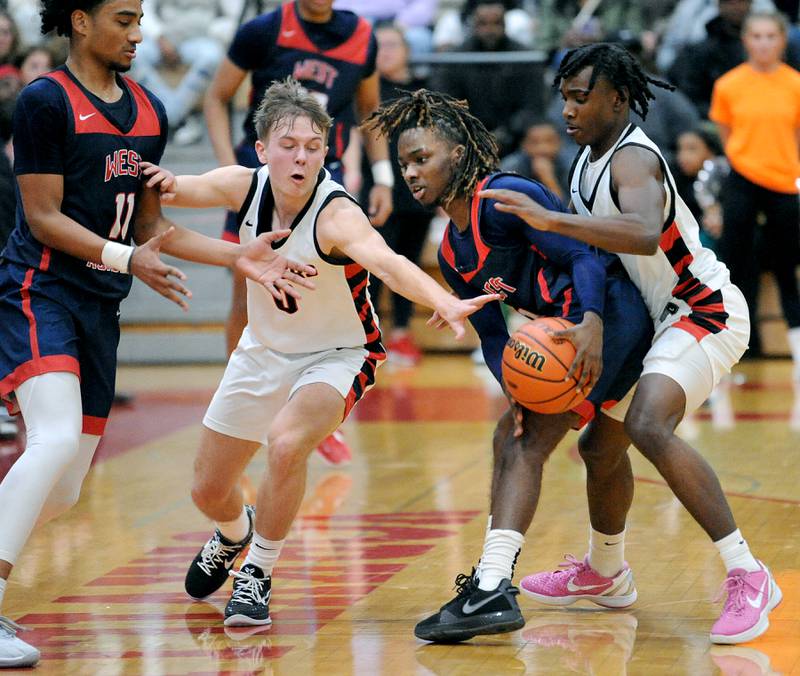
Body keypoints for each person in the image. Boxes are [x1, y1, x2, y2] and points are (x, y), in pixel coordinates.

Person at [0, 2, 315, 667]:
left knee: (62, 490)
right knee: (51, 439)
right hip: (40, 291)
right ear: (80, 21)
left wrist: (240, 254)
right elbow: (42, 216)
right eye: (122, 18)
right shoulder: (44, 101)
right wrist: (125, 260)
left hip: (99, 307)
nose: (138, 33)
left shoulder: (149, 112)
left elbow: (151, 230)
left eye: (140, 18)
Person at [140, 78, 500, 628]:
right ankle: (236, 532)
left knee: (287, 444)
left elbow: (388, 263)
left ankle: (257, 572)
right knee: (208, 490)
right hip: (262, 350)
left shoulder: (336, 213)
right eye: (288, 146)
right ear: (262, 151)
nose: (301, 156)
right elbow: (176, 191)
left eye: (313, 146)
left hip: (339, 353)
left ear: (326, 151)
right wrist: (157, 178)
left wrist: (444, 302)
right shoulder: (244, 185)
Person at [484, 42, 780, 645]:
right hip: (654, 319)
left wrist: (552, 220)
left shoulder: (632, 161)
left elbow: (644, 234)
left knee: (647, 424)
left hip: (706, 310)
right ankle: (607, 571)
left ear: (618, 98)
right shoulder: (585, 159)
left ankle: (749, 574)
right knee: (598, 448)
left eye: (581, 97)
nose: (568, 109)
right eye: (564, 97)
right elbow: (594, 255)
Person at [365, 88, 654, 643]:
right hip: (571, 335)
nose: (410, 172)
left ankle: (494, 586)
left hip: (608, 320)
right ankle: (514, 577)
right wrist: (516, 392)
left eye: (421, 158)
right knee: (513, 434)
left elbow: (584, 254)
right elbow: (493, 334)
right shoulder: (453, 250)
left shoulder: (502, 197)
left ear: (456, 152)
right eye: (403, 163)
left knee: (528, 445)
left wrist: (592, 321)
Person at [205, 0, 395, 465]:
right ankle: (244, 408)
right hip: (264, 183)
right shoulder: (263, 31)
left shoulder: (361, 37)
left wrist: (383, 175)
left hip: (319, 188)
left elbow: (371, 112)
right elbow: (216, 96)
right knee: (244, 294)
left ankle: (314, 408)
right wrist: (229, 167)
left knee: (315, 291)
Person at [710, 12, 800, 369]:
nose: (764, 43)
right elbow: (726, 136)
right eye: (757, 36)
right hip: (742, 182)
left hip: (783, 184)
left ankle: (795, 348)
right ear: (746, 40)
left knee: (786, 268)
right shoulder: (729, 85)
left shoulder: (795, 84)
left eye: (770, 36)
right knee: (734, 266)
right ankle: (733, 349)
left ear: (782, 40)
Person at [363, 23, 434, 365]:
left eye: (392, 44)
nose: (386, 51)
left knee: (409, 263)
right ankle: (370, 337)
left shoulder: (424, 93)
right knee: (377, 264)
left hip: (419, 194)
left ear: (407, 50)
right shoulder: (368, 91)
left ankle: (403, 333)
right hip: (378, 190)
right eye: (379, 46)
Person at [132, 0, 242, 145]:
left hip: (201, 38)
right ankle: (180, 117)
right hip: (162, 39)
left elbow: (235, 16)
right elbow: (143, 10)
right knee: (133, 56)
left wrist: (212, 30)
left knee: (212, 57)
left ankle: (168, 117)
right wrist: (159, 36)